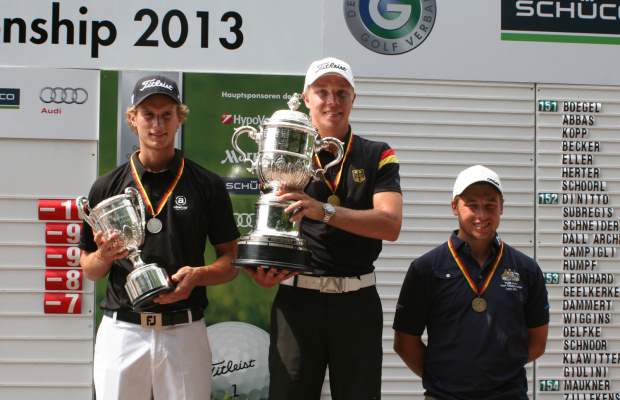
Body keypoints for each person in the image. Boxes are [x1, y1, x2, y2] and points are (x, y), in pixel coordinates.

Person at [245, 57, 403, 400]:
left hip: (357, 302)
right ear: (306, 98)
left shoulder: (377, 154)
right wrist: (263, 270)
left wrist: (324, 211)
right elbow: (272, 229)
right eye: (323, 92)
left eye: (341, 92)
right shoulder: (283, 152)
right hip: (297, 299)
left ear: (353, 98)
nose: (332, 101)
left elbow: (390, 225)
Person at [78, 75, 240, 400]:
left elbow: (231, 262)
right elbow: (90, 270)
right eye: (148, 114)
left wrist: (198, 276)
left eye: (166, 114)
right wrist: (105, 256)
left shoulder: (207, 184)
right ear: (132, 119)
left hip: (184, 330)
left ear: (180, 118)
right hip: (123, 331)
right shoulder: (105, 187)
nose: (157, 124)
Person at [393, 165, 549, 400]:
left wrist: (497, 371)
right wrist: (446, 378)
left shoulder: (526, 269)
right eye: (472, 205)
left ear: (502, 207)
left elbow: (537, 343)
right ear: (455, 206)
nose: (482, 215)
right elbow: (404, 343)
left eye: (490, 205)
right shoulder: (426, 269)